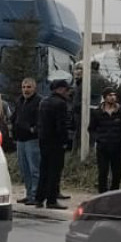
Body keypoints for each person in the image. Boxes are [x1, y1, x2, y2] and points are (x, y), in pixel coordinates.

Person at [35, 79, 72, 210]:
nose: (68, 93)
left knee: (44, 170)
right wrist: (65, 141)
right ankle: (51, 200)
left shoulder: (43, 102)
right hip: (56, 142)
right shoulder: (61, 104)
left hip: (43, 141)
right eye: (67, 90)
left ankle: (39, 199)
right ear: (61, 89)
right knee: (54, 172)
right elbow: (61, 125)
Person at [89, 87, 121, 193]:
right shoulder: (97, 112)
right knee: (103, 172)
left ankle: (114, 193)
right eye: (110, 95)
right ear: (104, 97)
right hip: (103, 147)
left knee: (117, 172)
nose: (113, 97)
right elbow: (91, 129)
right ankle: (102, 194)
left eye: (114, 95)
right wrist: (98, 138)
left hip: (117, 146)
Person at [12, 77, 42, 205]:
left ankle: (35, 195)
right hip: (20, 139)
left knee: (34, 169)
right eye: (24, 87)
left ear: (34, 88)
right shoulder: (19, 101)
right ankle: (29, 193)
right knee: (24, 169)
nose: (26, 90)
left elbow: (41, 120)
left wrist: (33, 129)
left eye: (29, 87)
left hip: (32, 140)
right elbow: (16, 116)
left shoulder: (39, 101)